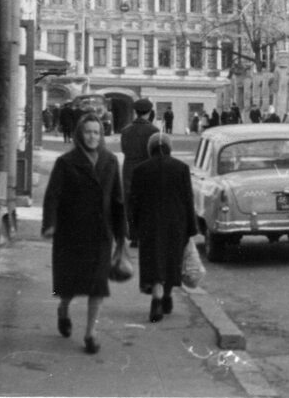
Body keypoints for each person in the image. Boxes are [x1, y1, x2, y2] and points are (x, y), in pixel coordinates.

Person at [41, 112, 125, 355]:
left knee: (97, 286)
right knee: (69, 285)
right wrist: (50, 223)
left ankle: (90, 333)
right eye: (88, 132)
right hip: (71, 232)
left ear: (102, 135)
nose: (92, 136)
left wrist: (121, 233)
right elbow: (52, 196)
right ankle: (63, 310)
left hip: (100, 233)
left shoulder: (110, 161)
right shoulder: (66, 162)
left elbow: (117, 199)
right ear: (80, 134)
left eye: (96, 132)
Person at [129, 135, 197, 322]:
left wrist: (133, 230)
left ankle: (156, 301)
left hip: (149, 224)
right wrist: (191, 228)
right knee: (170, 260)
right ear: (169, 148)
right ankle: (166, 296)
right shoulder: (181, 168)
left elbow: (133, 202)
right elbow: (188, 199)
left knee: (154, 261)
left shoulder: (140, 170)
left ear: (150, 149)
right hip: (176, 223)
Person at [119, 99, 160, 245]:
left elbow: (124, 149)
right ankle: (144, 233)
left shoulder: (126, 130)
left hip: (129, 169)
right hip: (147, 168)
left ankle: (133, 235)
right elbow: (156, 153)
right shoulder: (154, 131)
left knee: (131, 202)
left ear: (135, 112)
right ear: (149, 112)